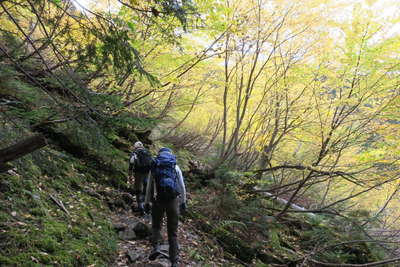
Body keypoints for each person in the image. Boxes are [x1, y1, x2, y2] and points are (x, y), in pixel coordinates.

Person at [144, 147, 187, 267]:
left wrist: (147, 202)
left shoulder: (155, 166)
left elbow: (149, 187)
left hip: (158, 201)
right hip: (173, 201)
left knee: (156, 226)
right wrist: (183, 202)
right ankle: (174, 260)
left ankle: (156, 248)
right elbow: (182, 187)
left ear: (159, 154)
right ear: (170, 155)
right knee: (173, 232)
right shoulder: (175, 166)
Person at [128, 141, 152, 215]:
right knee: (146, 188)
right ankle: (147, 206)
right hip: (148, 173)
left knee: (138, 190)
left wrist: (130, 175)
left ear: (135, 146)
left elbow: (131, 164)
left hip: (138, 173)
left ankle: (140, 207)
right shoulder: (147, 152)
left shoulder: (135, 153)